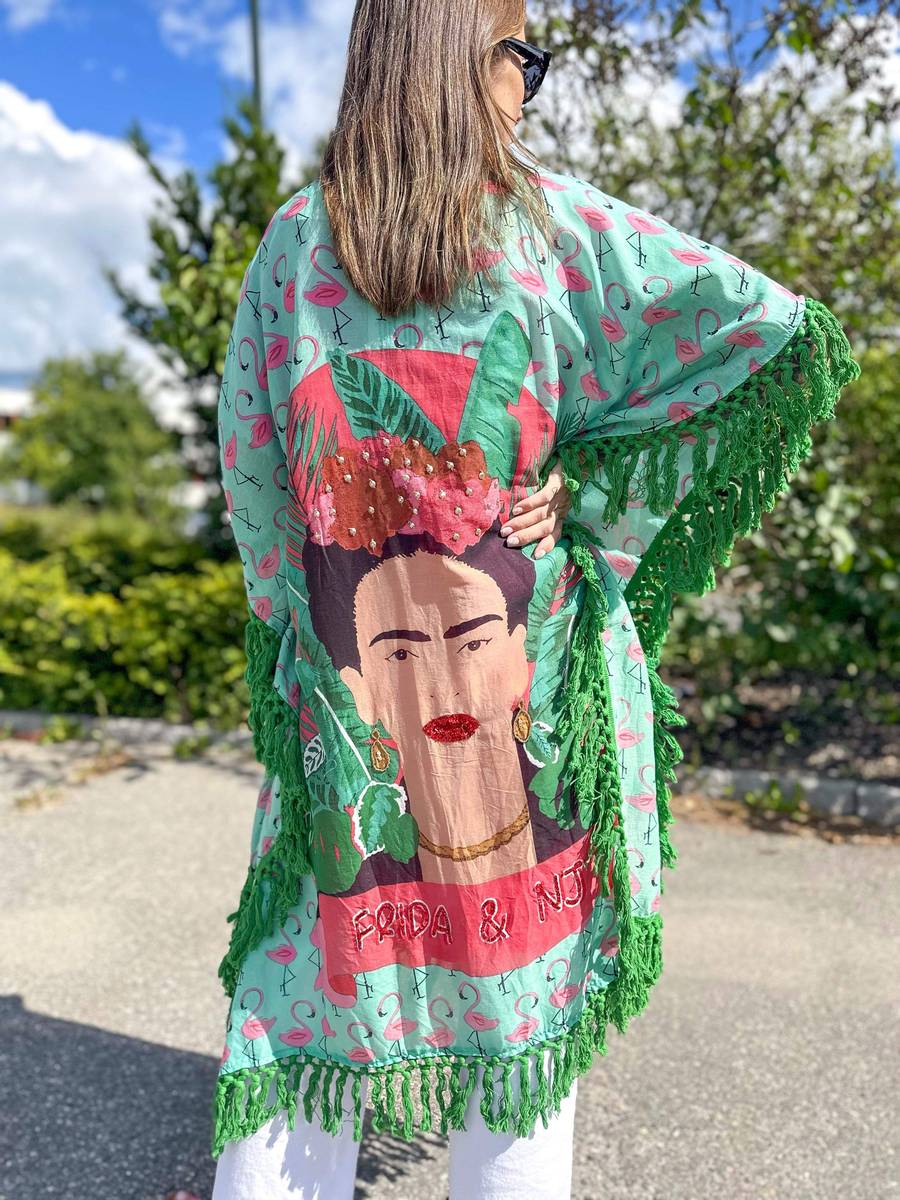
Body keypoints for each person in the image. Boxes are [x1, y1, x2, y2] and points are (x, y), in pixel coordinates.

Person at [210, 2, 861, 1197]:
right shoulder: (557, 228)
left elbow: (253, 473)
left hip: (352, 701)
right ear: (471, 59)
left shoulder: (298, 240)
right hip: (525, 690)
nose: (530, 84)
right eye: (526, 57)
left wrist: (297, 626)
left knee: (303, 1006)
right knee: (520, 1027)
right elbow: (766, 335)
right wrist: (592, 490)